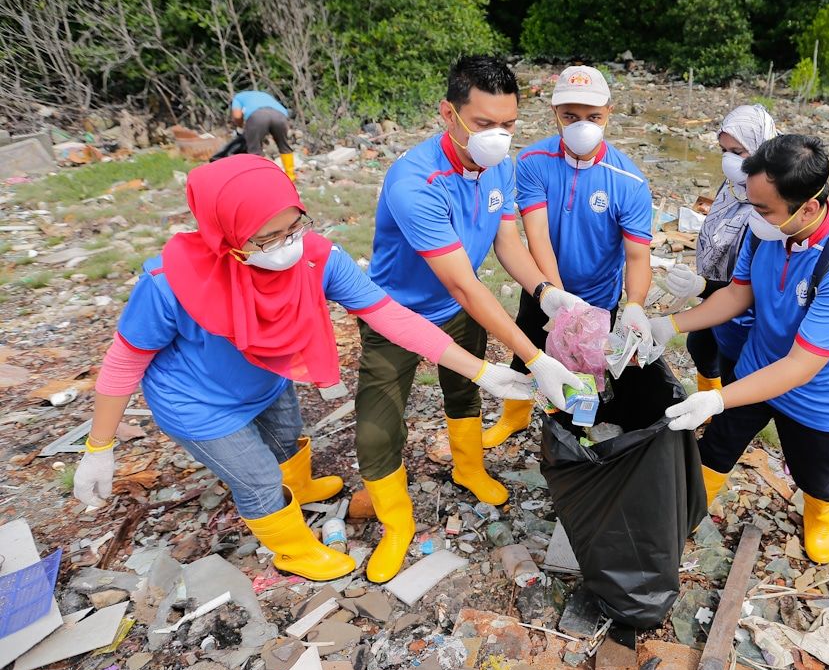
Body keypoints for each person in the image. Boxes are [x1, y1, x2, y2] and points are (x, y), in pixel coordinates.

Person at [70, 155, 532, 582]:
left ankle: (304, 488)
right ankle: (293, 549)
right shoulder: (167, 284)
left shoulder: (317, 256)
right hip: (197, 404)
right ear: (223, 233)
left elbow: (391, 316)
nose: (285, 246)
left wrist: (480, 371)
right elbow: (125, 361)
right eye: (266, 238)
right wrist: (99, 446)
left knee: (287, 440)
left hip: (268, 379)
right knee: (258, 478)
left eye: (293, 227)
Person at [356, 55, 587, 583]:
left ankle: (468, 466)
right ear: (448, 114)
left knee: (464, 392)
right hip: (397, 314)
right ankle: (396, 523)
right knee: (376, 427)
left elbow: (507, 241)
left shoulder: (499, 165)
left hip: (460, 313)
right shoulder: (415, 182)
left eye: (508, 125)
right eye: (484, 125)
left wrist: (547, 293)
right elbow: (463, 280)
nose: (499, 138)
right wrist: (532, 355)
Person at [650, 135, 829, 564]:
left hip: (819, 392)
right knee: (717, 445)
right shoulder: (765, 231)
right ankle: (688, 510)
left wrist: (719, 396)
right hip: (758, 364)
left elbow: (800, 367)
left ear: (808, 207)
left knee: (817, 471)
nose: (751, 213)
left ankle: (819, 517)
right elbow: (738, 295)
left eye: (761, 208)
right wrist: (667, 325)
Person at [483, 65, 653, 448]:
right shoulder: (532, 161)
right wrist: (554, 299)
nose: (582, 126)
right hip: (542, 287)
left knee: (588, 368)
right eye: (570, 116)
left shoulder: (629, 181)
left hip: (598, 296)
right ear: (554, 114)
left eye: (593, 116)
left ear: (609, 112)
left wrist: (636, 304)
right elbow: (537, 235)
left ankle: (575, 434)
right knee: (527, 349)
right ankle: (514, 416)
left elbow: (638, 257)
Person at [663, 105, 776, 393]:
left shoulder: (773, 203)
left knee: (732, 366)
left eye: (738, 152)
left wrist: (701, 285)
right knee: (700, 345)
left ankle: (720, 411)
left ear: (762, 148)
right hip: (714, 289)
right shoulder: (732, 186)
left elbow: (755, 284)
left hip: (747, 311)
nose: (728, 159)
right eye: (723, 150)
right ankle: (708, 404)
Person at [230, 90, 295, 180]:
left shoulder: (238, 97)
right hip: (280, 116)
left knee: (254, 150)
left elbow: (237, 116)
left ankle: (260, 178)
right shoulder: (264, 95)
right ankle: (291, 177)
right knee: (284, 146)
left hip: (257, 116)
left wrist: (240, 128)